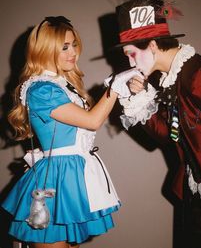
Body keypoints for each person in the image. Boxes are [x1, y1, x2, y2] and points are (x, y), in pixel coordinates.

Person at [113, 0, 201, 248]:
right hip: (195, 192)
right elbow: (169, 134)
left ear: (153, 45)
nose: (131, 62)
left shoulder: (199, 76)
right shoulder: (173, 78)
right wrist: (141, 97)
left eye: (132, 53)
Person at [1, 16, 144, 248]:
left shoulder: (60, 86)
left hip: (71, 175)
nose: (73, 52)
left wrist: (124, 88)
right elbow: (92, 121)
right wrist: (116, 86)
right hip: (58, 178)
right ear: (45, 49)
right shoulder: (41, 89)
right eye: (64, 47)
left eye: (74, 44)